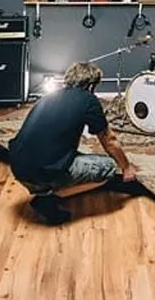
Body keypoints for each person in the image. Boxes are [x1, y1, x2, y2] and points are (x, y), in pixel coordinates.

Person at [8, 61, 139, 225]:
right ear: (91, 85)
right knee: (109, 167)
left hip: (18, 166)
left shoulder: (47, 97)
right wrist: (126, 167)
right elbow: (109, 140)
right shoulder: (89, 100)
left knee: (69, 155)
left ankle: (45, 189)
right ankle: (47, 199)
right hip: (41, 173)